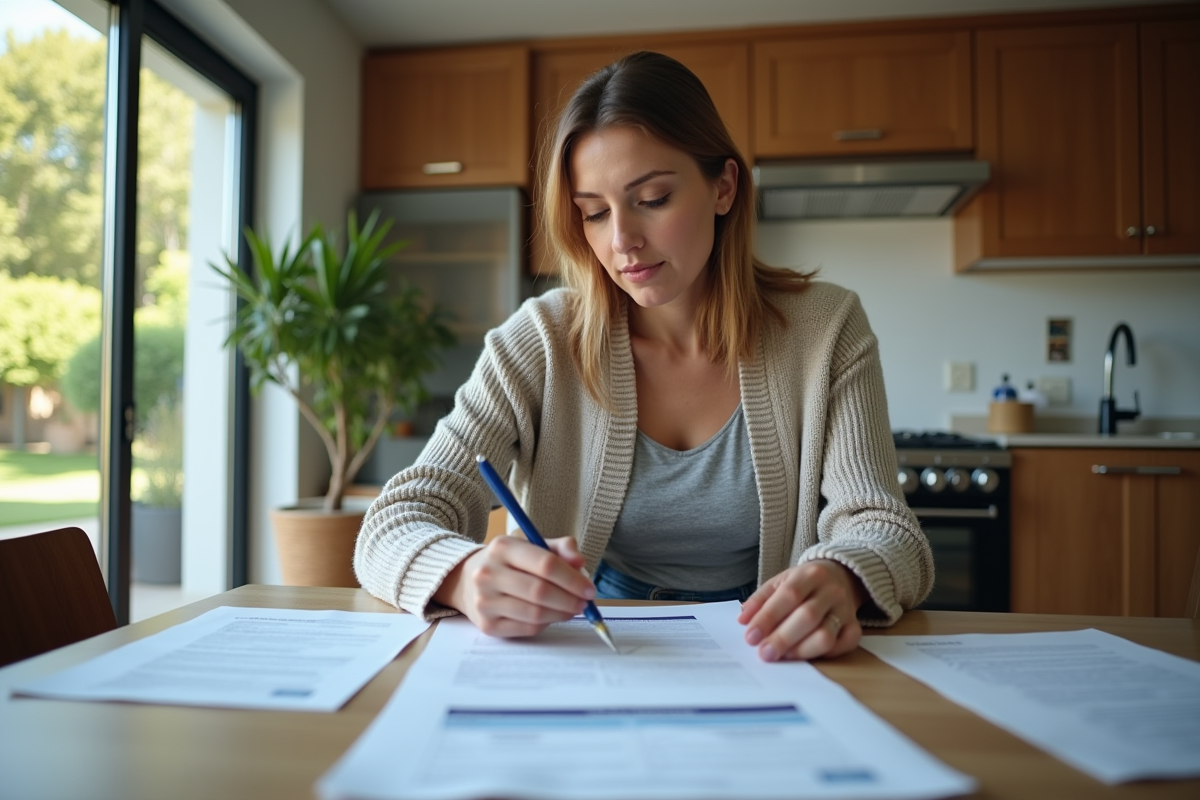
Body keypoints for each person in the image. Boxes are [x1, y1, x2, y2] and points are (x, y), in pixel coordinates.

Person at [354, 51, 932, 662]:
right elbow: (395, 519)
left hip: (768, 647)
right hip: (590, 647)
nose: (622, 240)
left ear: (724, 187)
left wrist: (843, 575)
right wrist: (465, 575)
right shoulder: (541, 340)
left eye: (652, 199)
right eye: (595, 213)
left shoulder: (826, 329)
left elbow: (886, 528)